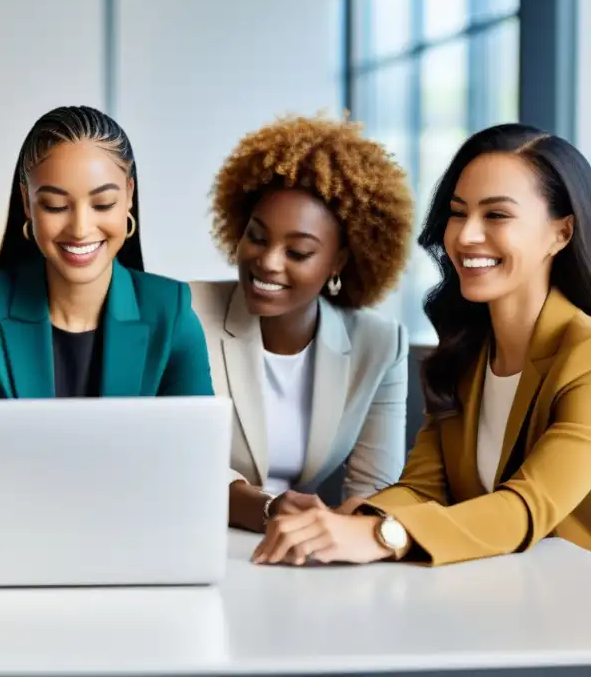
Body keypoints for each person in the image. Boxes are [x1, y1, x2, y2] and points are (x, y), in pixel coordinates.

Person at [252, 123, 591, 567]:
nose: (466, 235)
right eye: (458, 212)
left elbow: (528, 507)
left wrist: (381, 534)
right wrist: (345, 517)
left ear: (560, 233)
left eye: (496, 215)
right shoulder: (463, 351)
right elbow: (423, 488)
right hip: (486, 598)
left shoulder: (583, 355)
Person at [0, 105, 214, 533]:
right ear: (26, 204)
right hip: (6, 554)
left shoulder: (172, 311)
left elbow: (196, 473)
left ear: (129, 194)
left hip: (132, 553)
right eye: (54, 205)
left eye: (103, 202)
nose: (81, 228)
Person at [190, 115, 414, 533]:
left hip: (300, 552)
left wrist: (336, 538)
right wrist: (270, 510)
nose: (268, 262)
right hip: (198, 537)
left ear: (339, 262)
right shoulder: (186, 313)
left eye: (297, 252)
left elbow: (375, 492)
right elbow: (179, 462)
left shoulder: (380, 344)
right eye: (257, 237)